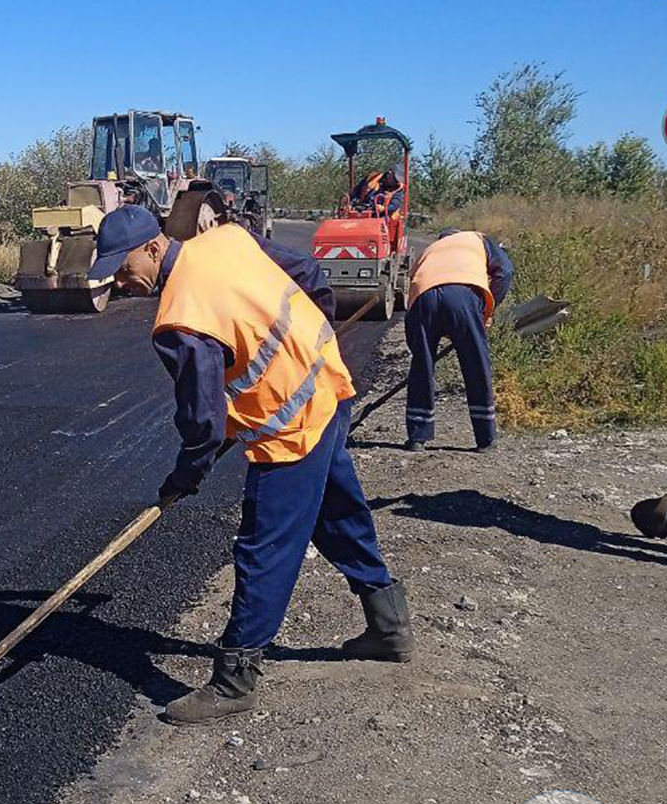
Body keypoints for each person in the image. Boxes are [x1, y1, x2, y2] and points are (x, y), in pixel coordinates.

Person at [86, 206, 415, 725]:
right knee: (336, 512)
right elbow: (306, 274)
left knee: (266, 543)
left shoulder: (180, 317)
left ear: (153, 247)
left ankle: (235, 679)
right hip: (327, 383)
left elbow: (203, 420)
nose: (121, 281)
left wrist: (187, 473)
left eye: (123, 268)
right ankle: (389, 624)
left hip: (290, 425)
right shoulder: (228, 240)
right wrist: (314, 334)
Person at [403, 229, 514, 452]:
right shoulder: (478, 238)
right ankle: (486, 439)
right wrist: (486, 311)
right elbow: (505, 271)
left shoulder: (430, 250)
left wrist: (423, 340)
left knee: (422, 366)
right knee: (476, 365)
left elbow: (412, 284)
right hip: (462, 295)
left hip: (423, 298)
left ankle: (417, 436)